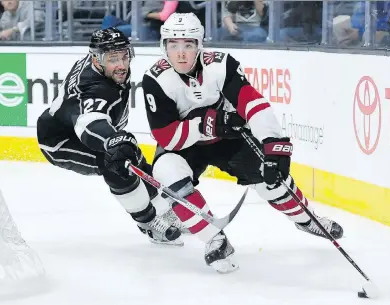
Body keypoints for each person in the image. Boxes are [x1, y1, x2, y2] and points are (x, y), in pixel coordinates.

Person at [141, 13, 344, 273]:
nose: (181, 53)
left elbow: (253, 104)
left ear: (200, 44)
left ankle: (307, 218)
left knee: (271, 180)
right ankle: (214, 239)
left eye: (188, 45)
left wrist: (274, 145)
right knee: (166, 172)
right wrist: (205, 122)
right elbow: (166, 136)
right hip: (186, 146)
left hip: (228, 139)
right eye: (173, 45)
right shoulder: (155, 79)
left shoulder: (221, 65)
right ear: (163, 47)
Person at [36, 27, 183, 247]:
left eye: (125, 56)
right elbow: (89, 123)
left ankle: (164, 210)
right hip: (60, 141)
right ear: (96, 59)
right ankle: (148, 222)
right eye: (113, 59)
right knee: (114, 162)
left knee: (134, 157)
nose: (122, 65)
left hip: (77, 125)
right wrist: (110, 140)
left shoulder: (105, 66)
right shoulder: (94, 87)